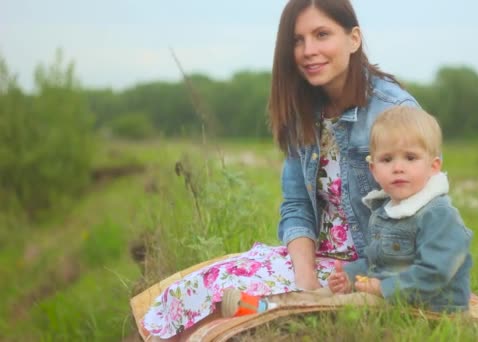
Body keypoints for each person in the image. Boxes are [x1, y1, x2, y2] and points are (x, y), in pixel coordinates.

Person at [142, 0, 419, 339]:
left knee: (248, 308)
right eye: (297, 40)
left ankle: (289, 316)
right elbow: (297, 206)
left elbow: (419, 215)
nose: (308, 50)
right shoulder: (304, 109)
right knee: (205, 290)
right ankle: (288, 310)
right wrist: (305, 283)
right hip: (320, 262)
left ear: (353, 39)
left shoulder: (393, 112)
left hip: (374, 269)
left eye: (321, 34)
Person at [328, 106, 472, 313]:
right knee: (331, 295)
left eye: (410, 158)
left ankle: (301, 312)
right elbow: (377, 262)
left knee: (339, 308)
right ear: (374, 170)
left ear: (434, 166)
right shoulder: (383, 211)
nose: (398, 168)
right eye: (387, 159)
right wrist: (350, 276)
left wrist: (383, 288)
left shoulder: (438, 214)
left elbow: (435, 272)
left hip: (434, 308)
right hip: (394, 299)